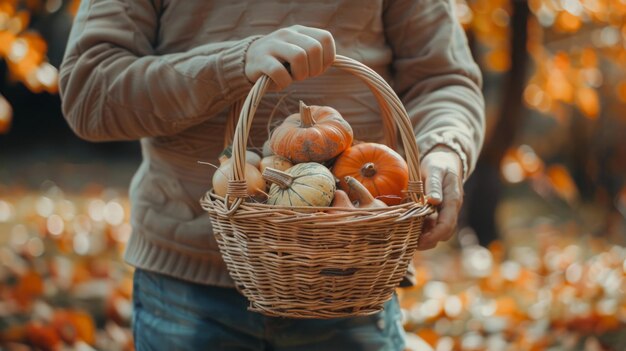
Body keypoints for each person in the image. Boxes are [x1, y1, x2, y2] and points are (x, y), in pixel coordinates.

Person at [59, 0, 485, 350]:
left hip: (353, 279)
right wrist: (232, 65)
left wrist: (445, 147)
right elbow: (88, 90)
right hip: (186, 290)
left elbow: (443, 78)